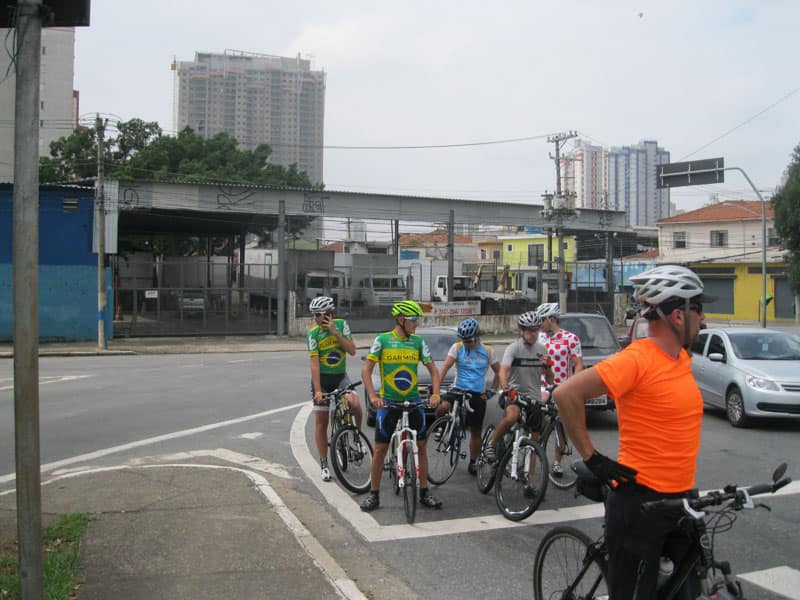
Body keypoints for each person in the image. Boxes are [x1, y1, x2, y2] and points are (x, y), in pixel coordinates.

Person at [553, 265, 711, 599]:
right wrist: (593, 458)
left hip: (681, 498)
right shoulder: (637, 358)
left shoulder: (680, 359)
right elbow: (565, 394)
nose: (704, 319)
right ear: (678, 315)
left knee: (688, 589)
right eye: (698, 310)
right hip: (640, 503)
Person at [360, 300, 442, 512]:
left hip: (414, 402)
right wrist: (373, 396)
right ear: (400, 319)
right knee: (380, 449)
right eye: (414, 320)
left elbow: (434, 371)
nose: (417, 324)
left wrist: (435, 394)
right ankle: (374, 494)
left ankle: (424, 492)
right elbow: (366, 371)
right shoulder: (383, 340)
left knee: (421, 447)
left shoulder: (418, 342)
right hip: (389, 402)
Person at [484, 310, 553, 463]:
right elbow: (503, 370)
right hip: (515, 394)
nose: (533, 334)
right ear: (521, 331)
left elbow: (550, 379)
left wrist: (548, 367)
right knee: (512, 416)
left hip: (534, 398)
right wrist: (506, 388)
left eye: (536, 330)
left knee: (535, 441)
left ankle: (530, 476)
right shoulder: (513, 348)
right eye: (529, 330)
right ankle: (492, 444)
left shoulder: (542, 350)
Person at [306, 296, 362, 482]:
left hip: (340, 377)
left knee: (355, 403)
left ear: (329, 313)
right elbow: (314, 364)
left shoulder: (342, 325)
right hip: (322, 380)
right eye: (314, 315)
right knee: (321, 422)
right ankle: (324, 464)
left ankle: (357, 438)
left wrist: (335, 333)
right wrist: (318, 390)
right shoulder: (313, 334)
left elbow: (352, 351)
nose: (315, 318)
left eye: (318, 315)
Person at [436, 318, 501, 475]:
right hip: (458, 389)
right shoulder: (457, 347)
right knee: (442, 406)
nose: (466, 343)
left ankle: (473, 462)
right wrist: (436, 390)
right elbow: (445, 368)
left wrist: (492, 390)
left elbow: (499, 372)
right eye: (463, 340)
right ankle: (442, 427)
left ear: (477, 336)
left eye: (469, 340)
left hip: (477, 393)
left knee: (476, 431)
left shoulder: (488, 351)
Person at [534, 302, 584, 476]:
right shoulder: (538, 338)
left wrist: (573, 385)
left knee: (561, 425)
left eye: (542, 320)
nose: (539, 323)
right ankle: (529, 450)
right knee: (534, 420)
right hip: (540, 385)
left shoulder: (570, 338)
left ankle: (557, 462)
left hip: (561, 386)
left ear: (552, 319)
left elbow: (578, 364)